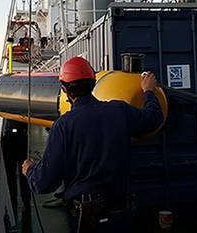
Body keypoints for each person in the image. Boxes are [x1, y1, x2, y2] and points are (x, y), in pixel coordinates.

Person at [21, 57, 163, 233]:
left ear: (64, 90)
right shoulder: (119, 111)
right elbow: (153, 118)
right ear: (94, 82)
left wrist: (30, 170)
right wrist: (148, 91)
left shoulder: (63, 126)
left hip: (86, 217)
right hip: (121, 213)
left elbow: (44, 183)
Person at [2, 118, 31, 218]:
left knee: (12, 174)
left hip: (13, 137)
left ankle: (17, 202)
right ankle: (25, 203)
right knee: (22, 173)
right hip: (20, 137)